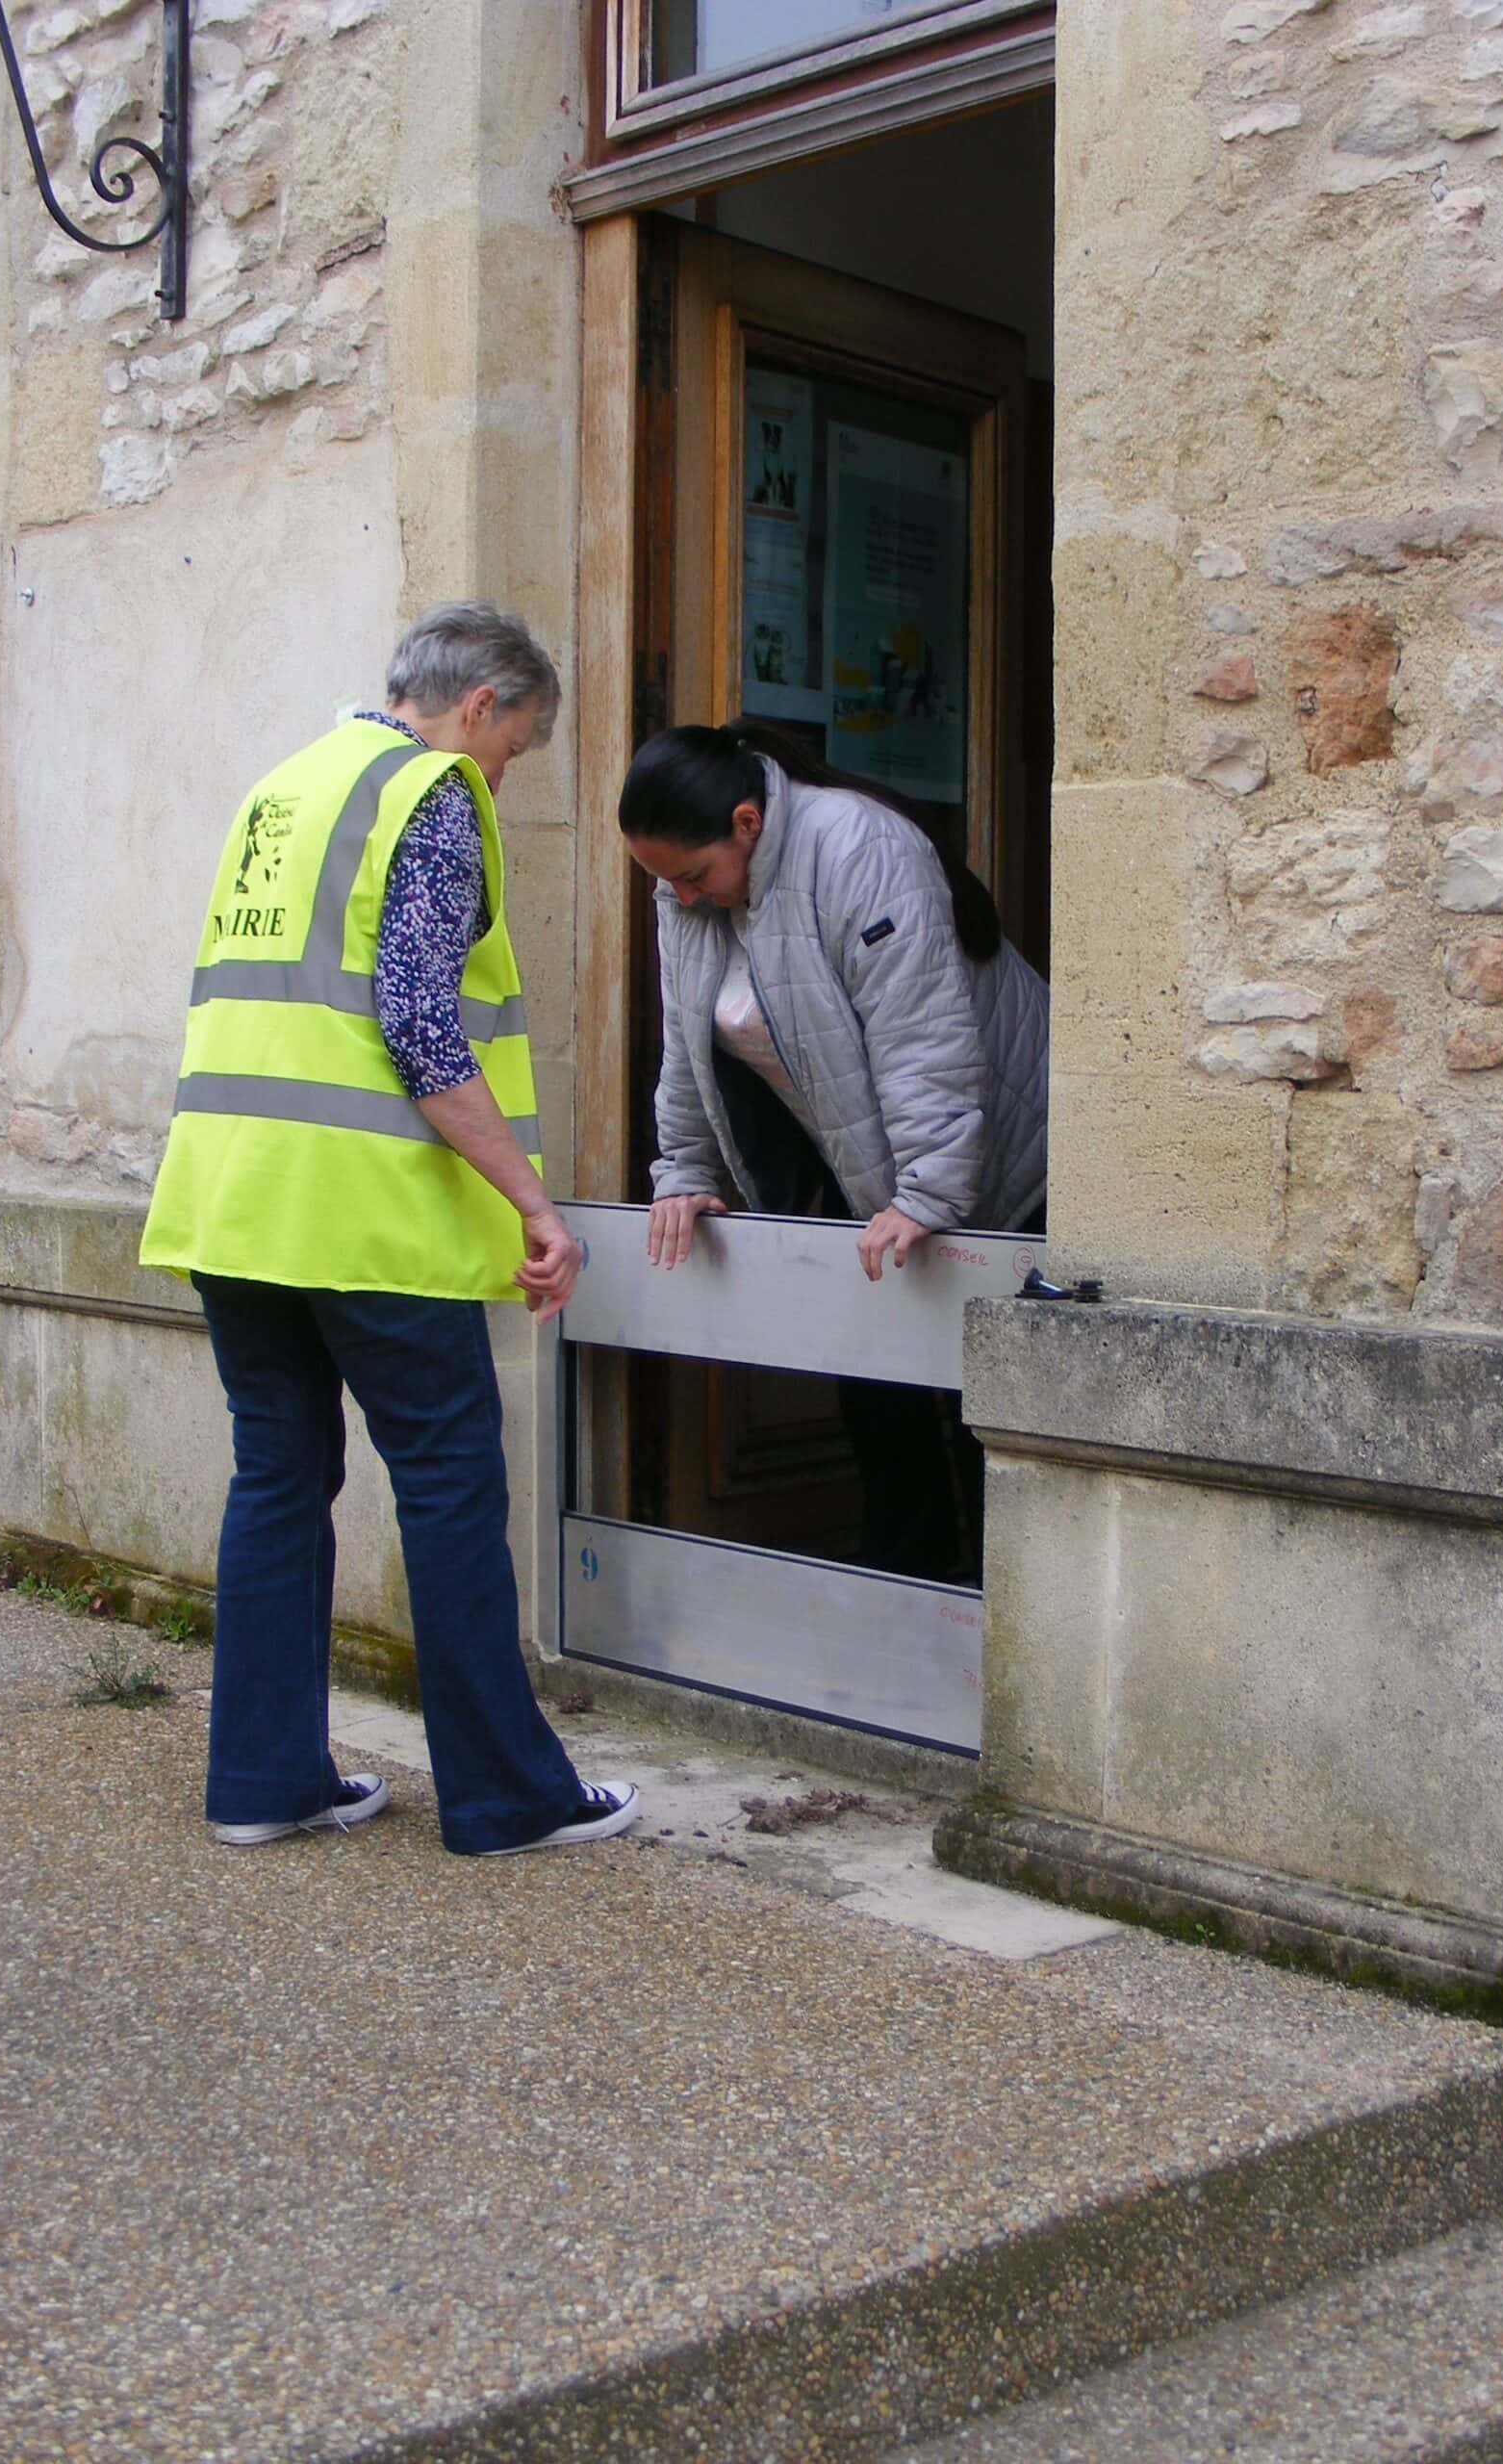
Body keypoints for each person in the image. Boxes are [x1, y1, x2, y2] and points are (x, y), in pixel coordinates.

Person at [140, 603, 639, 1856]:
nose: (504, 775)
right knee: (452, 1486)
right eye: (515, 750)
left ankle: (265, 1780)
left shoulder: (282, 792)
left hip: (229, 1200)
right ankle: (507, 1797)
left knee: (277, 1479)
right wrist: (534, 1202)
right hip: (361, 1215)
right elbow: (422, 1030)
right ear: (480, 708)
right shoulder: (426, 794)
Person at [618, 718, 1049, 1581]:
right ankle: (907, 1597)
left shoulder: (856, 846)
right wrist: (686, 1173)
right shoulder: (686, 894)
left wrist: (929, 1194)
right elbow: (686, 1048)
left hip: (1007, 1159)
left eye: (694, 875)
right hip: (870, 1168)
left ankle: (993, 1627)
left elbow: (920, 1032)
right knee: (876, 1387)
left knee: (984, 1402)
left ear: (747, 822)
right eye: (665, 882)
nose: (684, 898)